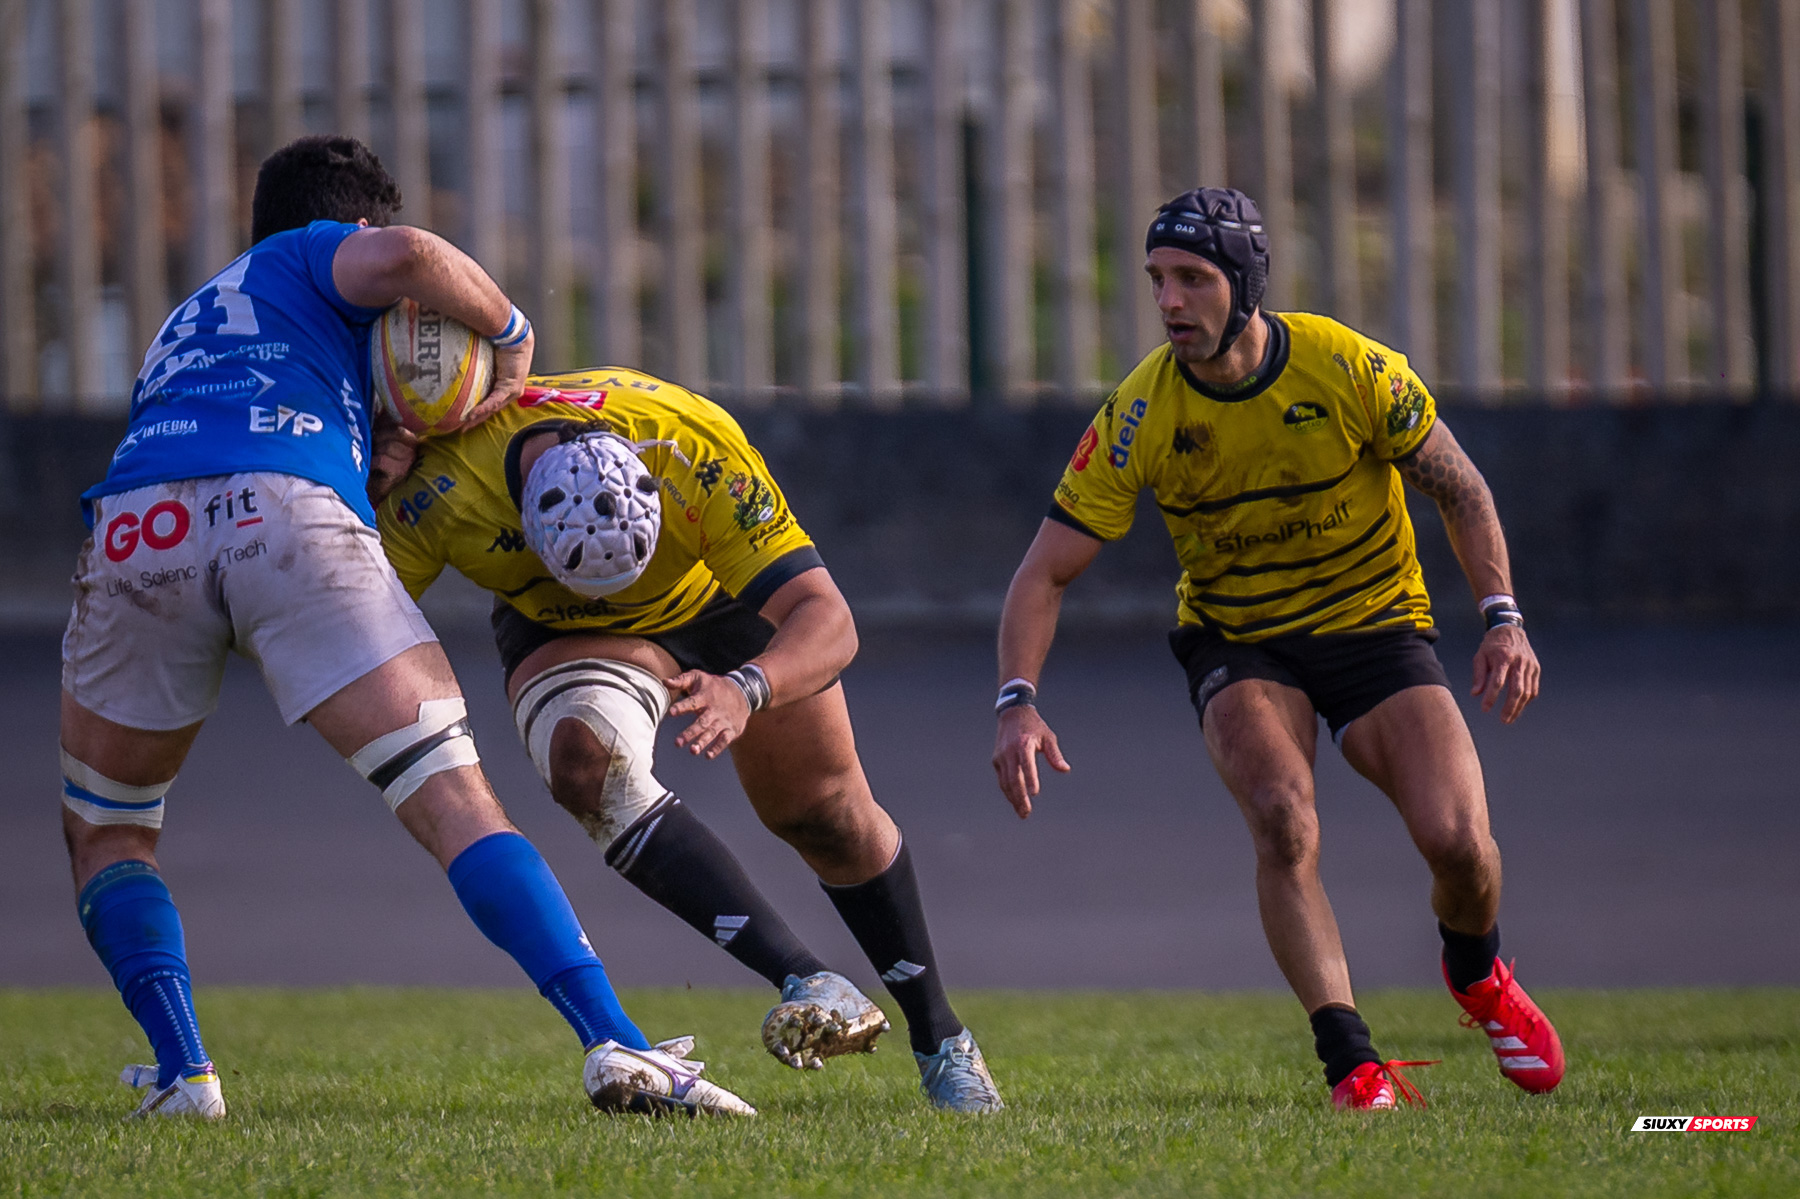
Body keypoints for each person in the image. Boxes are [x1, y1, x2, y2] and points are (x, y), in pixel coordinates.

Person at [60, 136, 751, 1120]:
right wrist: (510, 337)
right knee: (452, 799)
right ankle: (617, 1041)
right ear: (351, 227)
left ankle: (185, 1073)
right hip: (287, 507)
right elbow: (416, 259)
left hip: (138, 524)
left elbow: (250, 404)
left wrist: (383, 446)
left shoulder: (188, 318)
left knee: (109, 829)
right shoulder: (320, 252)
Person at [991, 187, 1563, 1110]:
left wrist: (1503, 615)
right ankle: (1352, 1063)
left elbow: (1459, 487)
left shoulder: (1348, 367)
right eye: (1156, 281)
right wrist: (1016, 700)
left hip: (1376, 628)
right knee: (1282, 816)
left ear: (1246, 284)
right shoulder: (1140, 411)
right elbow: (1042, 573)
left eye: (1192, 279)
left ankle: (1478, 973)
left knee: (1461, 845)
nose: (1170, 302)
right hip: (1240, 638)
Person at [370, 366, 1004, 1114]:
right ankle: (803, 975)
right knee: (585, 765)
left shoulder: (696, 449)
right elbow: (357, 623)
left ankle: (941, 1037)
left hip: (715, 592)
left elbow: (828, 618)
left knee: (825, 815)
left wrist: (749, 685)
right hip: (565, 622)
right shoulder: (437, 484)